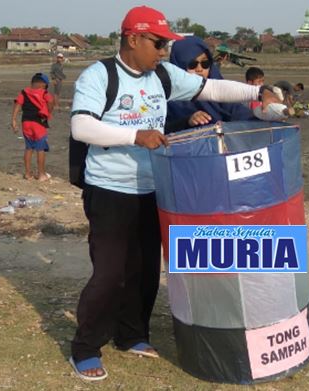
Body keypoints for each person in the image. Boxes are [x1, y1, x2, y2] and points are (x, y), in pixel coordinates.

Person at [68, 5, 280, 381]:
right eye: (158, 43)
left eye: (167, 44)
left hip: (156, 189)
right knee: (110, 272)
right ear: (132, 39)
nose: (164, 51)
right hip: (110, 190)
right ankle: (85, 347)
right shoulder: (99, 75)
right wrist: (135, 135)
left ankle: (131, 336)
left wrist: (257, 92)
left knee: (147, 268)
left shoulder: (162, 75)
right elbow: (82, 126)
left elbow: (210, 87)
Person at [165, 36, 255, 133]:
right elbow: (163, 131)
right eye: (192, 64)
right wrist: (187, 121)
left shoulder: (221, 91)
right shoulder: (167, 99)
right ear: (178, 66)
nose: (199, 69)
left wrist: (262, 115)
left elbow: (238, 110)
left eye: (205, 63)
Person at [10, 73, 54, 181]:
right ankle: (41, 174)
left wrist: (14, 119)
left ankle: (27, 173)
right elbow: (51, 101)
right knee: (40, 149)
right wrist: (48, 111)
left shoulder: (24, 92)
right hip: (38, 123)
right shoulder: (44, 93)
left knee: (29, 148)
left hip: (26, 123)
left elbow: (18, 105)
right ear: (42, 84)